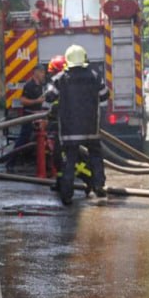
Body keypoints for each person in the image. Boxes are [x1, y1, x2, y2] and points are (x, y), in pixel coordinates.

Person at [44, 44, 109, 205]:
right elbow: (104, 95)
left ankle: (67, 194)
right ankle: (99, 185)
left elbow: (49, 97)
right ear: (84, 59)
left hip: (69, 129)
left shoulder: (60, 78)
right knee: (96, 156)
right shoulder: (95, 76)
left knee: (69, 161)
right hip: (91, 127)